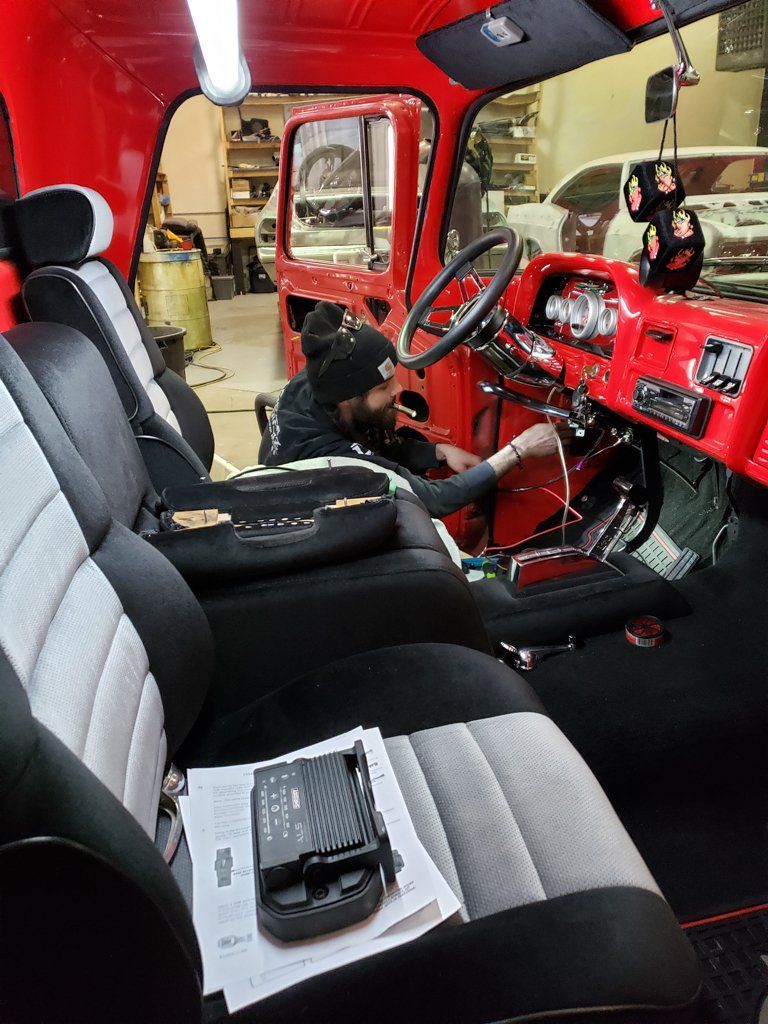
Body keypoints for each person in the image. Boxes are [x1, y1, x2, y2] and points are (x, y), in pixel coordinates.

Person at [260, 301, 565, 518]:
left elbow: (365, 437)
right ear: (347, 399)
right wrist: (518, 449)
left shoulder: (317, 380)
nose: (396, 391)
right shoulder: (335, 463)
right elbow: (433, 500)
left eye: (391, 380)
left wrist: (438, 452)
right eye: (382, 388)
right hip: (309, 522)